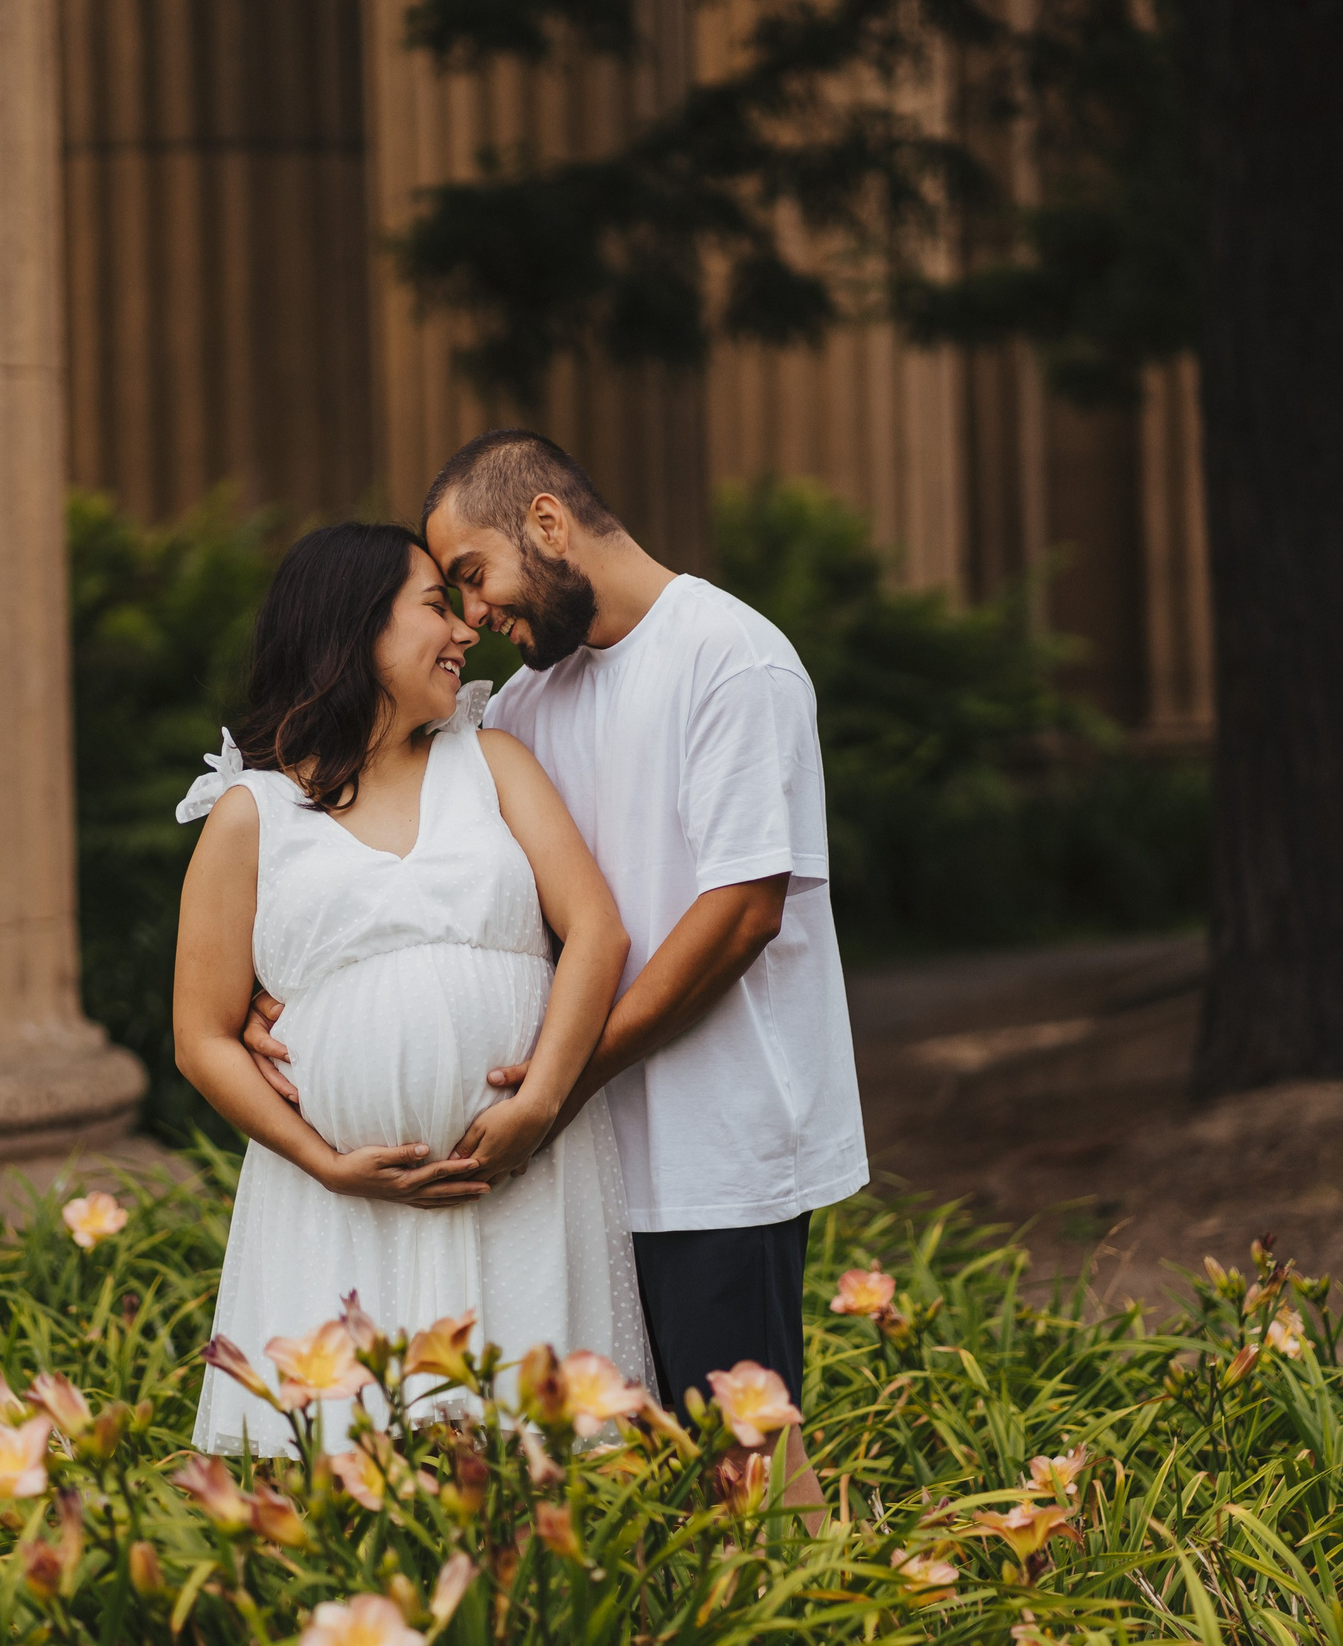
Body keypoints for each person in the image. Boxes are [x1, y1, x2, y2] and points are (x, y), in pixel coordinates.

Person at [250, 432, 865, 1497]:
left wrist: (557, 1086)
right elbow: (428, 868)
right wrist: (289, 993)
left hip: (710, 1157)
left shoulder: (730, 657)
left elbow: (740, 915)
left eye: (474, 578)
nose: (474, 618)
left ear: (545, 523)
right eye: (449, 597)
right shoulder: (524, 705)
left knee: (745, 1469)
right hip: (563, 1187)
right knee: (611, 1496)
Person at [170, 520, 654, 1456]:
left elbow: (597, 930)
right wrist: (323, 1160)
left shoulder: (494, 762)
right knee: (356, 1472)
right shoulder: (250, 814)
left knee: (540, 1462)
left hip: (526, 1176)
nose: (466, 630)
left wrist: (542, 1100)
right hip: (341, 1208)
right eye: (436, 606)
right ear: (355, 632)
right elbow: (202, 1037)